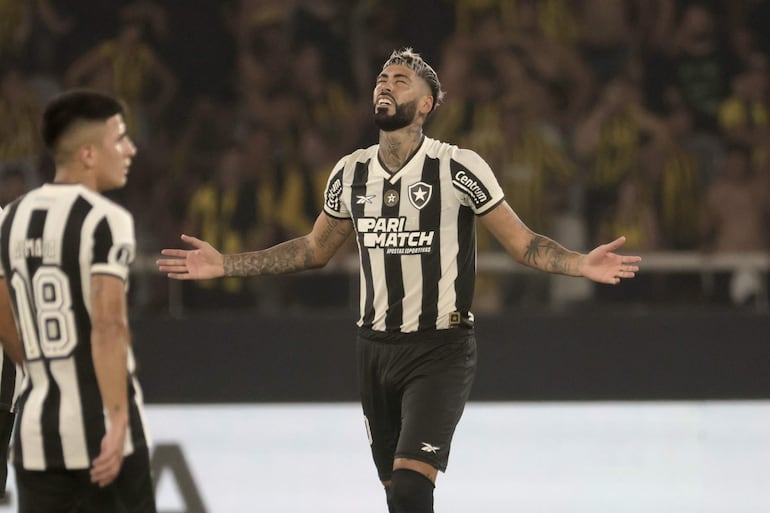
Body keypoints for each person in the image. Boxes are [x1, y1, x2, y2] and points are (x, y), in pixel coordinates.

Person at [157, 48, 641, 513]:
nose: (384, 86)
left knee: (410, 489)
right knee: (398, 498)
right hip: (375, 349)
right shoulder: (350, 173)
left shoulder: (458, 167)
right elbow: (313, 249)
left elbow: (522, 242)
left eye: (399, 81)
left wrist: (580, 264)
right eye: (381, 80)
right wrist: (227, 264)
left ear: (425, 104)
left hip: (440, 348)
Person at [0, 89, 156, 513]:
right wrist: (119, 419)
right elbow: (107, 327)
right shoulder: (106, 219)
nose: (130, 149)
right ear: (88, 154)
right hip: (99, 427)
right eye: (119, 139)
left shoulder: (10, 220)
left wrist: (39, 371)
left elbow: (4, 320)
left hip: (36, 430)